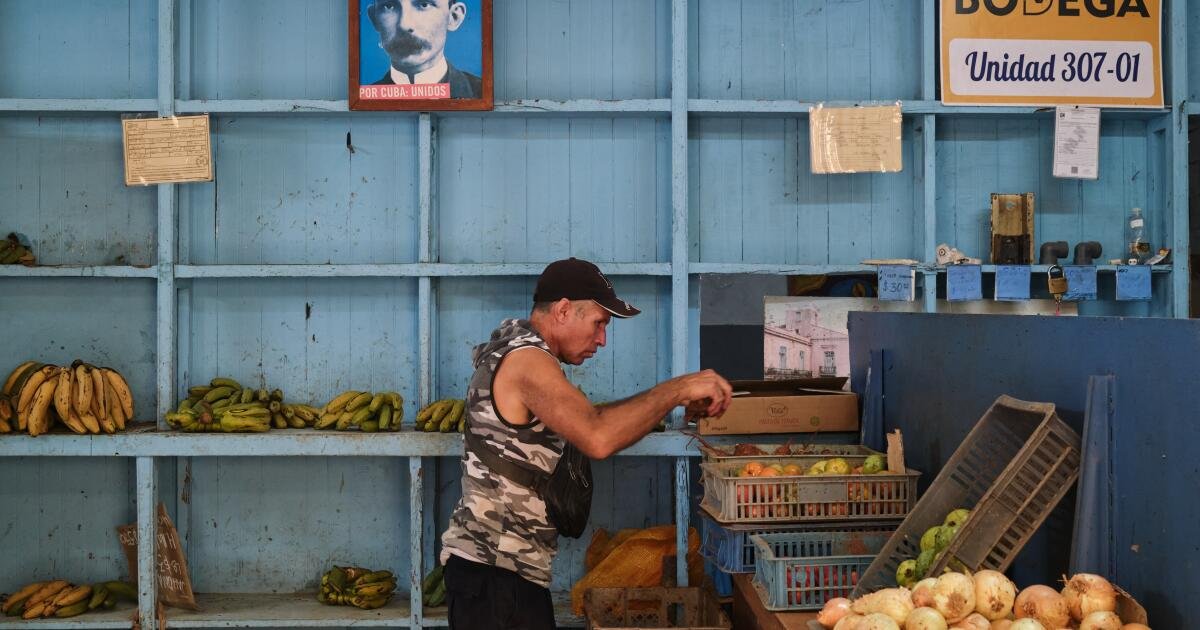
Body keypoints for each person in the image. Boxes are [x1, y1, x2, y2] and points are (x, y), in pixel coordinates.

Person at [438, 257, 733, 629]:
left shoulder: (519, 352)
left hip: (501, 576)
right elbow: (597, 436)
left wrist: (664, 405)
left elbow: (587, 420)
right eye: (599, 323)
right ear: (563, 310)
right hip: (497, 579)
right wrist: (678, 388)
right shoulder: (527, 361)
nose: (602, 339)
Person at [366, 0, 482, 98]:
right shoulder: (366, 99)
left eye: (424, 5)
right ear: (374, 19)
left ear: (453, 17)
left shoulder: (481, 93)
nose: (404, 25)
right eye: (389, 6)